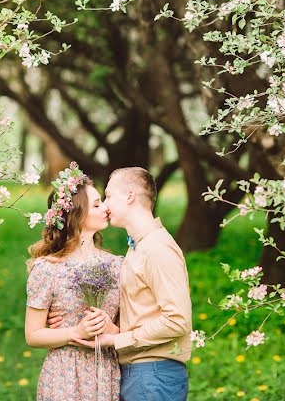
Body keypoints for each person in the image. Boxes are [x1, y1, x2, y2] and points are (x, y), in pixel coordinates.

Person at [52, 167, 193, 401]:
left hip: (153, 375)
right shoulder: (138, 247)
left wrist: (116, 340)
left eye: (108, 196)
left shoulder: (158, 248)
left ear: (129, 196)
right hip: (140, 374)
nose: (105, 206)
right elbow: (144, 314)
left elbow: (178, 320)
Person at [24, 163, 123, 401]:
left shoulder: (118, 265)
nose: (106, 209)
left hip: (106, 371)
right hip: (64, 376)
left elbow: (127, 327)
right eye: (97, 204)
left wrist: (113, 330)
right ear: (77, 214)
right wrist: (75, 332)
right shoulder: (47, 269)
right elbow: (33, 335)